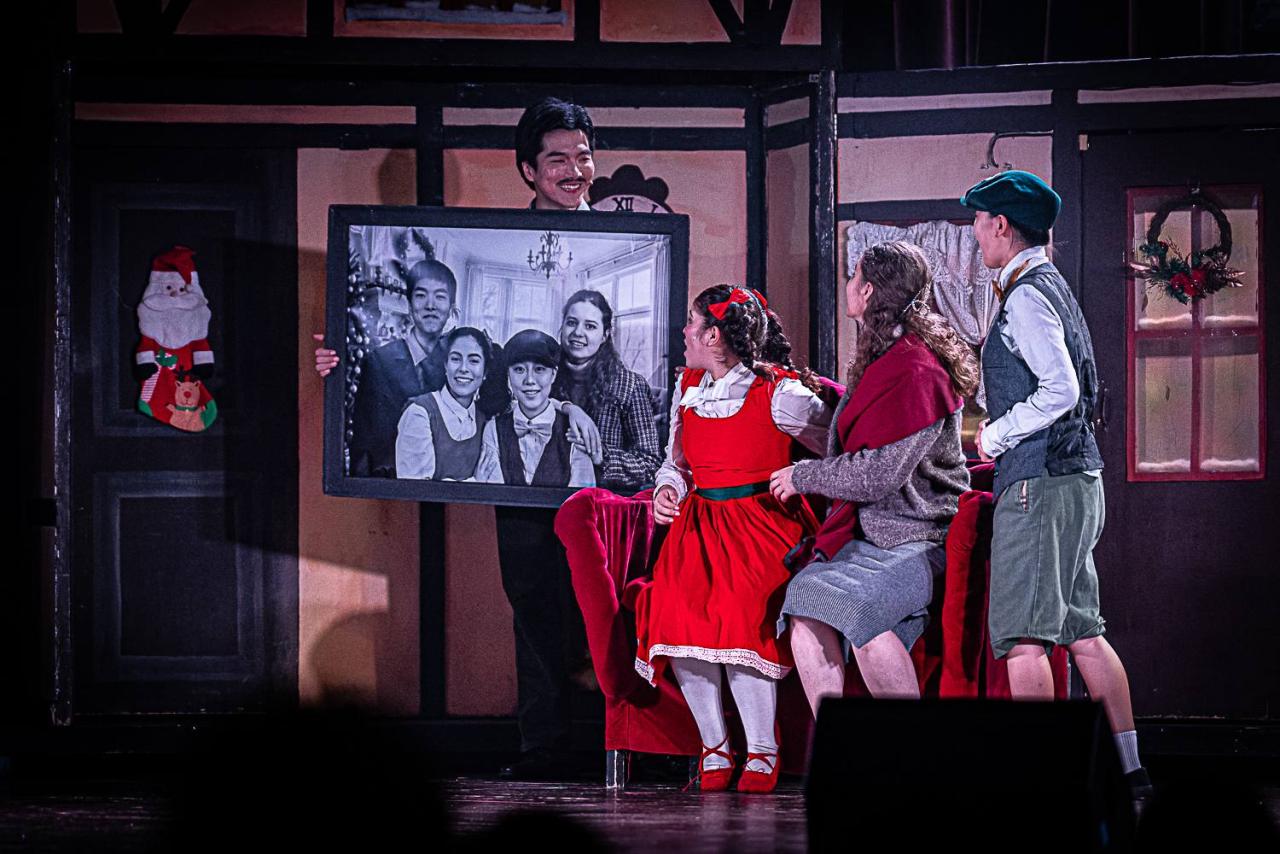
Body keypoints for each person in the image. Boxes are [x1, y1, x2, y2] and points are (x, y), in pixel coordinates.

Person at [961, 169, 1151, 794]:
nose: (975, 233)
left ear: (1001, 226)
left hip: (1039, 484)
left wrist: (994, 435)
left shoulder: (1025, 295)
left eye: (979, 222)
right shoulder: (1051, 284)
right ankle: (1130, 771)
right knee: (1084, 632)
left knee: (1024, 639)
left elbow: (1061, 389)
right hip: (1076, 478)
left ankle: (1045, 782)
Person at [634, 285, 830, 793]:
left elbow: (840, 446)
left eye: (692, 322)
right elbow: (676, 462)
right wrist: (668, 489)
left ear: (714, 336)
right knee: (675, 605)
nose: (684, 331)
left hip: (762, 525)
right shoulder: (689, 387)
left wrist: (804, 477)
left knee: (743, 610)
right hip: (700, 524)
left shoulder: (779, 393)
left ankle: (763, 748)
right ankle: (715, 745)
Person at [771, 241, 977, 713]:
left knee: (862, 617)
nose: (849, 285)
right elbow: (867, 422)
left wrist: (804, 476)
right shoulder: (883, 355)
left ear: (868, 291)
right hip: (869, 538)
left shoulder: (918, 368)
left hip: (919, 538)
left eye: (854, 277)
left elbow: (879, 473)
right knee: (804, 603)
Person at [346, 247, 460, 477]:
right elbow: (363, 442)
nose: (430, 305)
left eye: (440, 296)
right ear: (409, 305)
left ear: (450, 309)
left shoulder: (455, 367)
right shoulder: (380, 361)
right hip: (389, 482)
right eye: (421, 295)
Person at [551, 289, 662, 493]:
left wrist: (602, 455)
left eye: (590, 326)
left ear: (605, 335)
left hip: (600, 503)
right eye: (571, 322)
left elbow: (651, 465)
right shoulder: (544, 375)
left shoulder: (630, 385)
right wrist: (567, 407)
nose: (578, 332)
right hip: (545, 496)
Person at [476, 329, 595, 488]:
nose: (530, 380)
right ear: (508, 375)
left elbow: (582, 498)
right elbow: (493, 493)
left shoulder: (573, 430)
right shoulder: (493, 429)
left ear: (553, 374)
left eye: (539, 369)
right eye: (519, 370)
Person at [395, 326, 506, 481]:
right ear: (445, 365)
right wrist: (475, 483)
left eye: (474, 361)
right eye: (455, 359)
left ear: (485, 372)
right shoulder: (420, 413)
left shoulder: (483, 420)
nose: (463, 368)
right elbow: (413, 488)